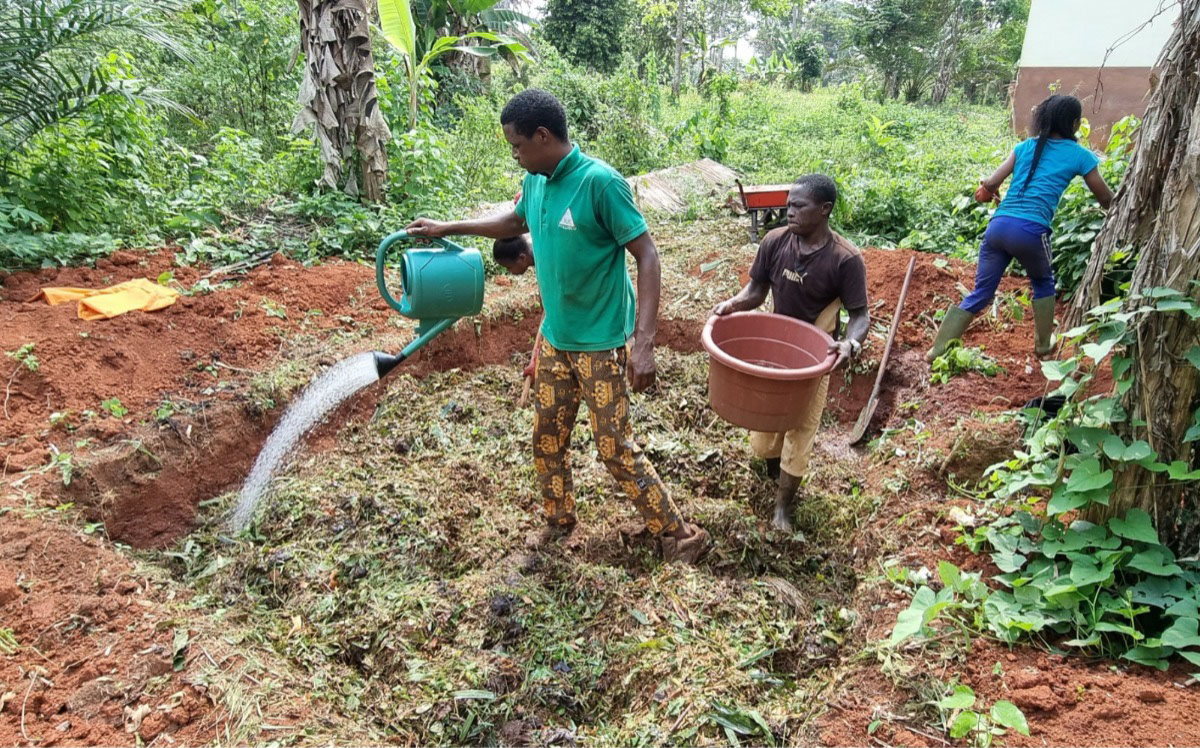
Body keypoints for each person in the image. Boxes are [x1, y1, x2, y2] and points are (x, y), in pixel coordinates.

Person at [406, 88, 710, 564]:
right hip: (556, 340)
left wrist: (644, 342)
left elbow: (647, 255)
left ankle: (679, 534)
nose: (514, 154)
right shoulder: (536, 182)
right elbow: (513, 221)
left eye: (517, 145)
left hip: (601, 343)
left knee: (613, 447)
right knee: (546, 438)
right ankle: (559, 520)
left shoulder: (600, 184)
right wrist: (448, 228)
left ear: (542, 136)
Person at [712, 174, 869, 532]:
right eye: (788, 204)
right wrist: (732, 305)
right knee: (767, 424)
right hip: (775, 345)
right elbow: (755, 291)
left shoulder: (845, 260)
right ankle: (771, 475)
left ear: (825, 210)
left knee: (801, 428)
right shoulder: (774, 241)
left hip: (815, 356)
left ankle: (783, 506)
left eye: (799, 206)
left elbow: (860, 315)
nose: (789, 212)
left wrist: (851, 343)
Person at [927, 94, 1115, 361]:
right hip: (1031, 231)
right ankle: (1042, 345)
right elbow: (1106, 198)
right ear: (1074, 123)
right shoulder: (1080, 156)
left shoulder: (1025, 147)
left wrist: (989, 188)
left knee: (981, 292)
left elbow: (990, 183)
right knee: (1042, 282)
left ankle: (937, 349)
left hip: (998, 228)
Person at [493, 235, 541, 389]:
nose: (509, 272)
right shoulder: (536, 255)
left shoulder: (545, 259)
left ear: (522, 258)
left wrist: (537, 357)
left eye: (509, 267)